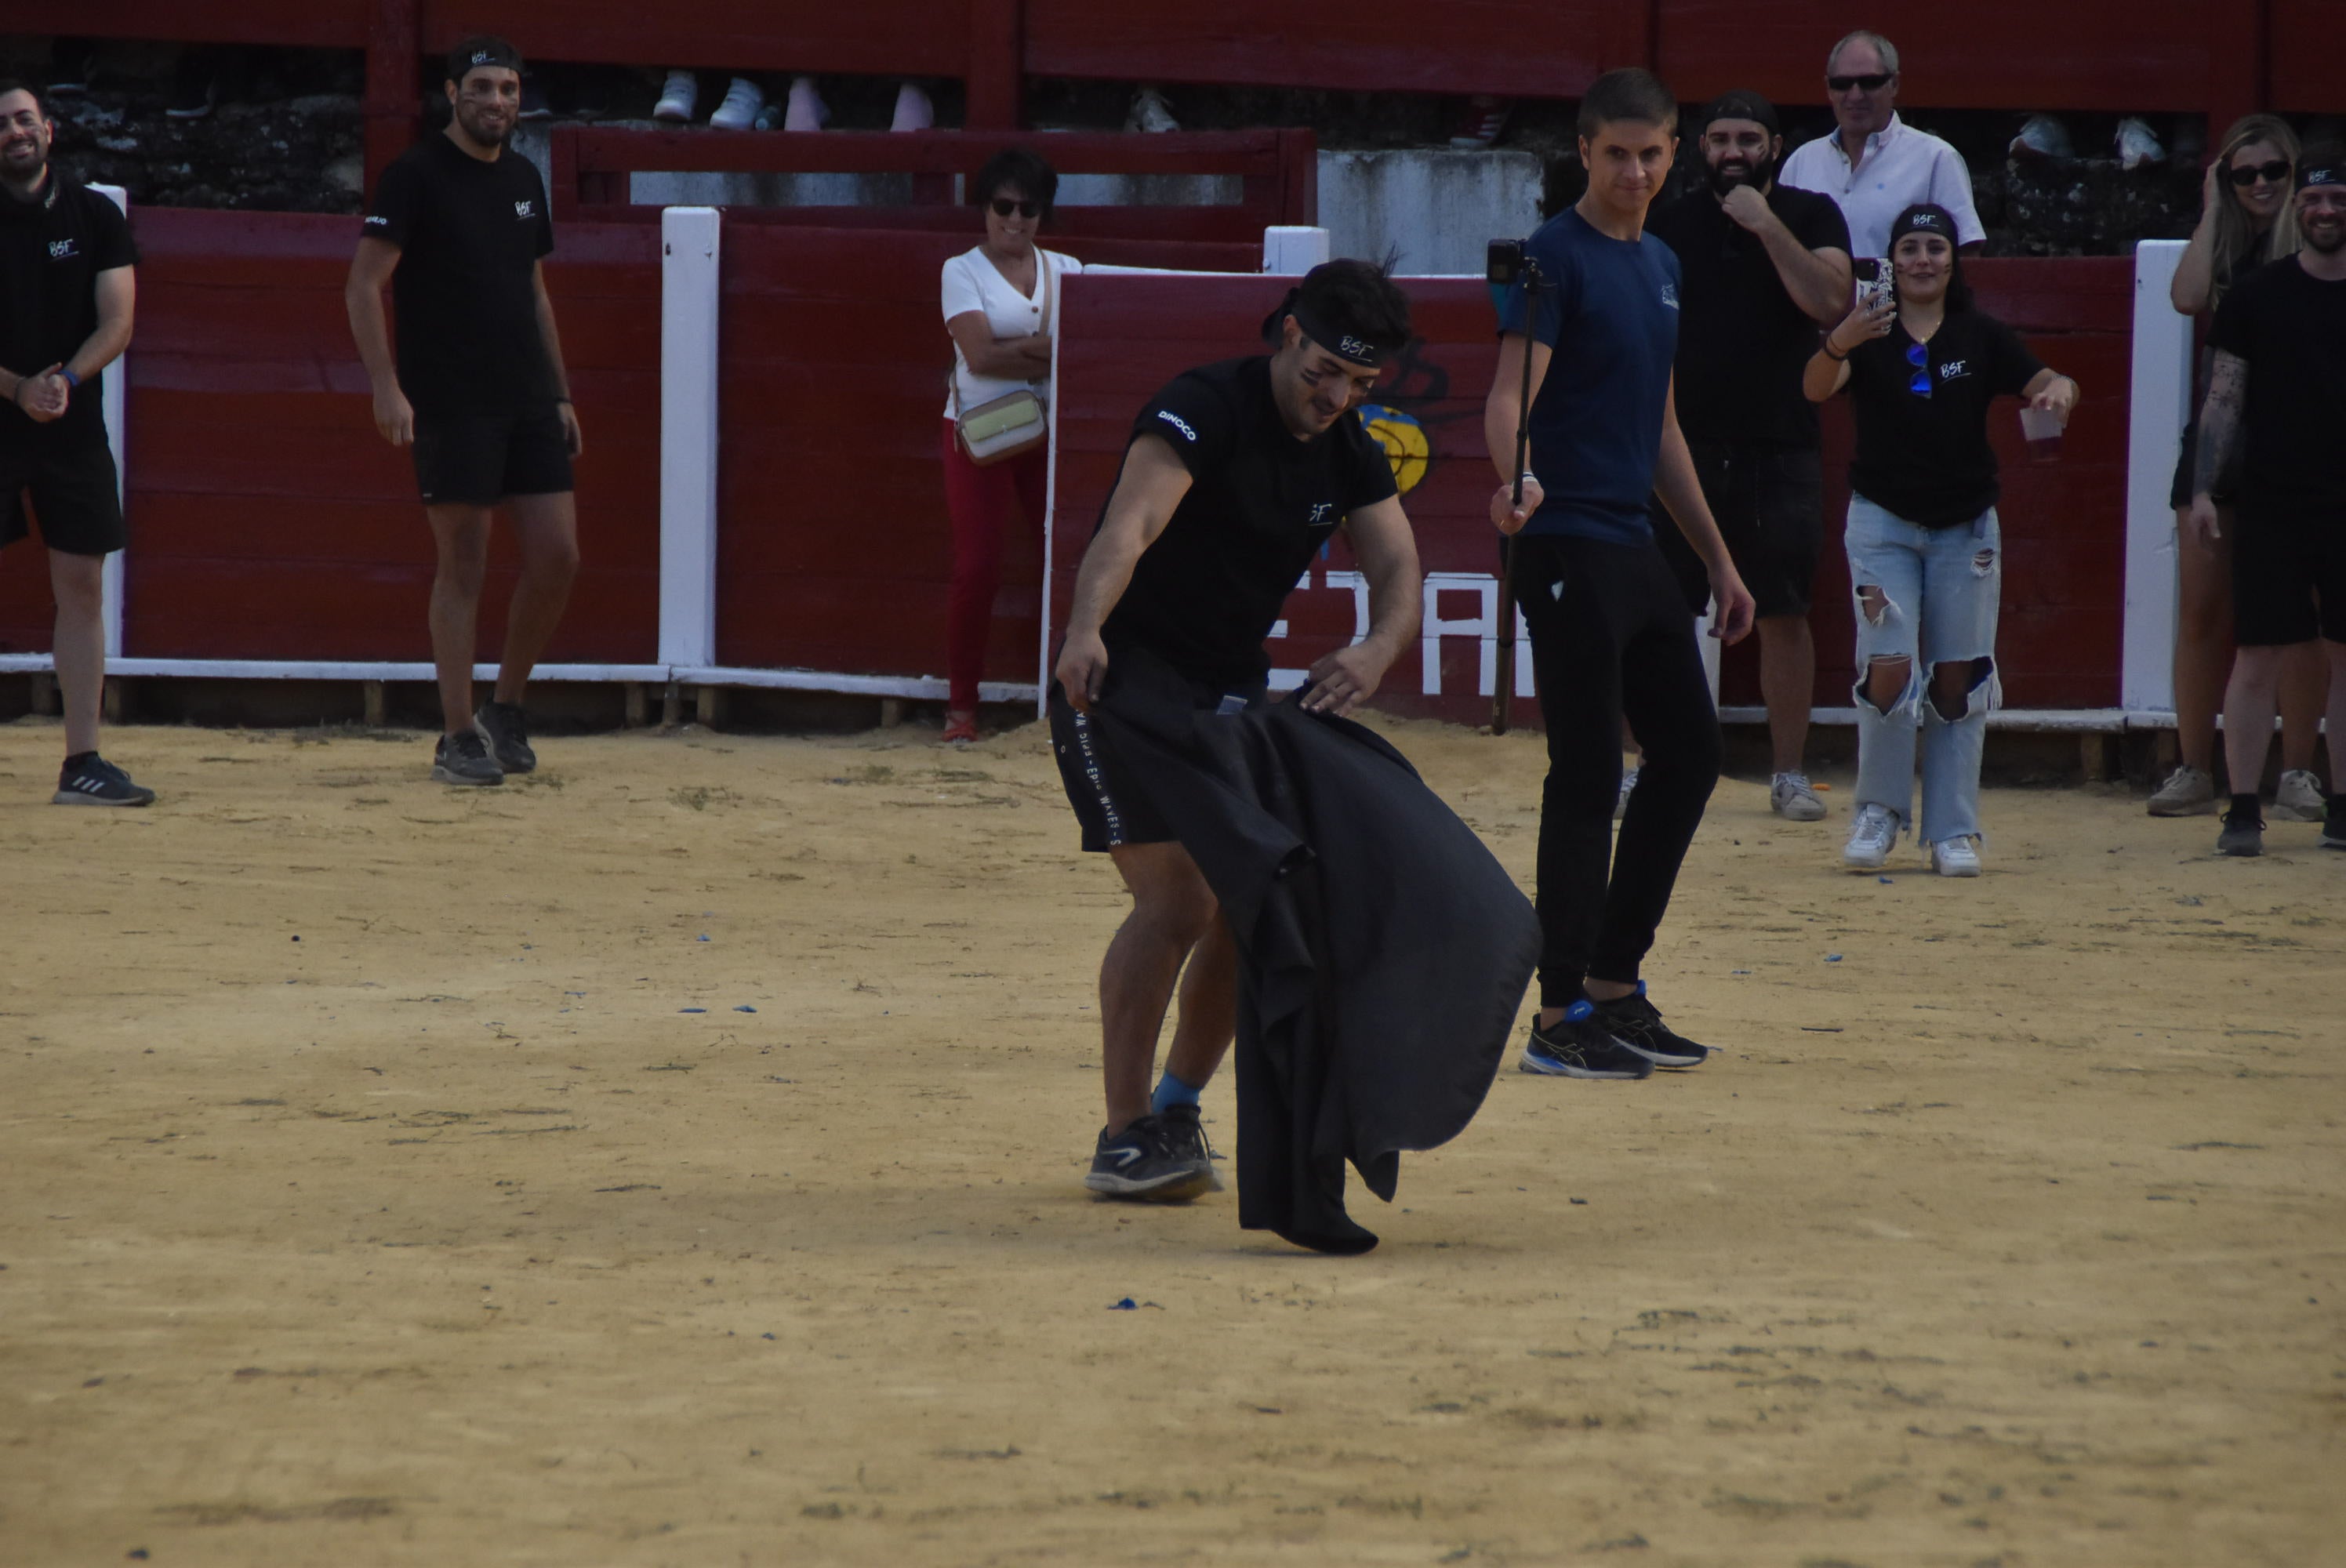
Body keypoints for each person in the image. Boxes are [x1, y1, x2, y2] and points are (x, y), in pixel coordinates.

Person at [1048, 260, 1422, 1202]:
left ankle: (1177, 1106)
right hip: (1121, 682)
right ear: (1287, 333)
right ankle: (1124, 1132)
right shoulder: (1200, 406)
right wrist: (1085, 628)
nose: (1337, 396)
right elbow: (1130, 527)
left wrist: (1377, 650)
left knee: (1256, 900)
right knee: (1178, 903)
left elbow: (1398, 566)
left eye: (1360, 384)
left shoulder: (1348, 451)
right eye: (1324, 371)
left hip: (1225, 692)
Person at [1482, 68, 1757, 1083]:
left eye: (1651, 155)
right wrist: (1517, 483)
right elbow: (1509, 397)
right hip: (1563, 542)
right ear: (1585, 152)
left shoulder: (1663, 265)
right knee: (1591, 772)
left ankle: (1611, 983)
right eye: (1615, 155)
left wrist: (1720, 560)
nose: (1634, 172)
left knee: (1686, 757)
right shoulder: (1555, 256)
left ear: (1674, 152)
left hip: (1635, 547)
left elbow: (1663, 429)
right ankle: (1557, 1014)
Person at [1803, 205, 2079, 876]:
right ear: (1891, 261)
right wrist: (1840, 339)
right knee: (1888, 663)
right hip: (1883, 522)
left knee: (1959, 673)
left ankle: (1953, 827)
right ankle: (1879, 811)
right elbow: (1814, 388)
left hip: (1965, 526)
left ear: (1953, 260)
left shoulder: (1979, 334)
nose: (1922, 259)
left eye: (1934, 247)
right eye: (1910, 248)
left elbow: (2048, 381)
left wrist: (2059, 394)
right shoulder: (1866, 332)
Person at [346, 37, 582, 788]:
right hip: (449, 397)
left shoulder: (522, 176)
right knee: (465, 561)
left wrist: (562, 391)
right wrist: (386, 385)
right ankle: (456, 733)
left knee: (557, 555)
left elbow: (534, 290)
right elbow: (361, 286)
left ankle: (505, 708)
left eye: (508, 90)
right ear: (452, 94)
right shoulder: (414, 175)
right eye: (481, 88)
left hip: (525, 397)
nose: (496, 103)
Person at [1647, 90, 1853, 822]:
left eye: (1749, 139)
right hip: (1684, 445)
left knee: (1784, 611)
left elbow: (1834, 304)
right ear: (1700, 148)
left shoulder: (1810, 213)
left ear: (1773, 146)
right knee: (1663, 609)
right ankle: (1655, 764)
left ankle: (1788, 774)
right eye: (1720, 139)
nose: (1734, 152)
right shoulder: (1668, 224)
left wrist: (1767, 227)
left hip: (1782, 440)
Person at [2152, 115, 2326, 820]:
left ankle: (2299, 772)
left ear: (2295, 177)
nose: (2257, 185)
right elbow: (2187, 296)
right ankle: (2195, 767)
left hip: (2301, 446)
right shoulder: (2225, 245)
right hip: (2224, 442)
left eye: (2271, 173)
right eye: (2241, 174)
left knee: (2308, 619)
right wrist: (2210, 207)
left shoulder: (2315, 249)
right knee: (2203, 610)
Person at [2188, 152, 2346, 857]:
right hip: (2275, 496)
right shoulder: (2256, 296)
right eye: (2313, 199)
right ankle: (2244, 805)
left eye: (2338, 199)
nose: (2325, 211)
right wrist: (2203, 489)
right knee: (2257, 655)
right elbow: (2224, 398)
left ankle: (2341, 807)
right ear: (2296, 210)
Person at [0, 80, 150, 806]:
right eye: (2, 124)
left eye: (25, 119)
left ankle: (83, 761)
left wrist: (62, 382)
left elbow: (117, 320)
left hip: (69, 420)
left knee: (81, 586)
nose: (14, 132)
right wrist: (17, 389)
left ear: (49, 130)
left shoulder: (92, 213)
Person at [940, 147, 1082, 745]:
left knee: (1075, 565)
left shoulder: (1069, 267)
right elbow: (979, 357)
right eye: (1004, 205)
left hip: (1051, 435)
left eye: (1029, 208)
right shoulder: (960, 270)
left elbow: (1088, 344)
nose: (1016, 219)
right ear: (984, 208)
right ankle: (960, 708)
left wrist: (1015, 350)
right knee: (978, 567)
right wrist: (1045, 347)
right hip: (980, 432)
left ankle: (1069, 697)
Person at [1780, 31, 1984, 261]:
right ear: (1828, 88)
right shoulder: (1801, 161)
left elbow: (1967, 257)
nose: (1855, 96)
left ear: (1894, 84)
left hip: (1901, 298)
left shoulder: (1936, 158)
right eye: (1842, 84)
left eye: (1869, 83)